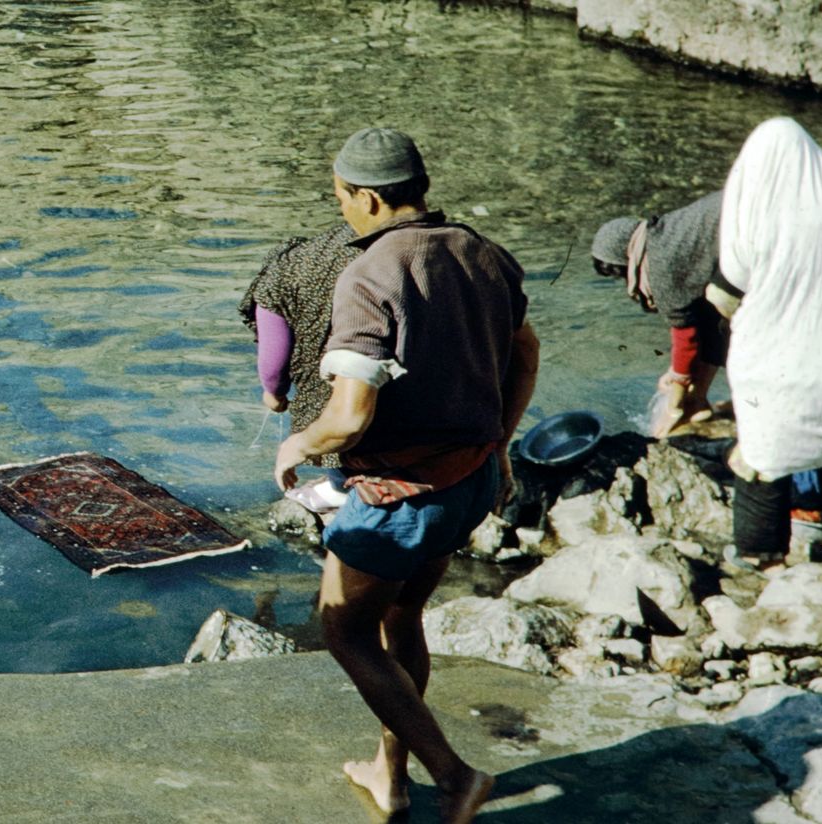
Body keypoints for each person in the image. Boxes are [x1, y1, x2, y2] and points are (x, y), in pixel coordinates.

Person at [273, 127, 539, 822]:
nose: (342, 214)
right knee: (400, 618)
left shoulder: (369, 275)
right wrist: (502, 445)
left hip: (402, 497)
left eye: (341, 201)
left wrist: (298, 443)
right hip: (470, 481)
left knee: (344, 629)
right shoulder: (483, 253)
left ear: (365, 196)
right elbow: (526, 353)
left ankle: (453, 777)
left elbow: (351, 414)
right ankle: (390, 778)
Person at [707, 117, 822, 560]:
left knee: (763, 459)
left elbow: (729, 286)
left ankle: (762, 557)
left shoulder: (763, 205)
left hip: (779, 369)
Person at [239, 224, 360, 510]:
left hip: (349, 383)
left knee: (334, 394)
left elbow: (274, 360)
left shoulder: (283, 273)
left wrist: (275, 394)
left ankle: (339, 487)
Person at [590, 190, 728, 436]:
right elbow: (710, 322)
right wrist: (681, 377)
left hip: (757, 225)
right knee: (716, 318)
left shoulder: (660, 261)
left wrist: (674, 396)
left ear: (624, 258)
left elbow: (685, 334)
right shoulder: (667, 233)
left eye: (619, 274)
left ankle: (685, 409)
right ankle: (697, 401)